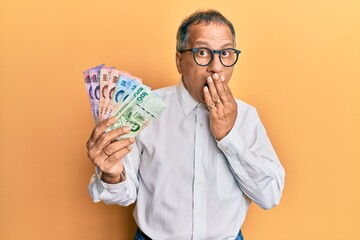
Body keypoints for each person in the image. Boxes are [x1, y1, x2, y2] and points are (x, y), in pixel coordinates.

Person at [87, 9, 285, 240]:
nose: (216, 67)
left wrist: (229, 137)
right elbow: (124, 195)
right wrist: (111, 174)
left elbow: (269, 196)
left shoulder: (247, 117)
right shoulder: (144, 110)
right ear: (180, 61)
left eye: (226, 53)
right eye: (203, 52)